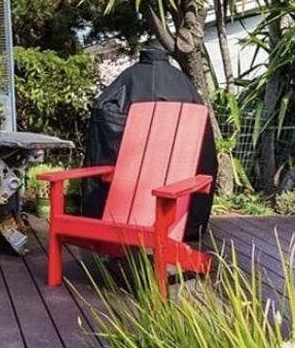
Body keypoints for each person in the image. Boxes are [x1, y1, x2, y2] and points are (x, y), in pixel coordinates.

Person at [82, 43, 217, 239]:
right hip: (135, 208)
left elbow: (104, 125)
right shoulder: (183, 85)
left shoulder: (128, 79)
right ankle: (188, 228)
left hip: (162, 202)